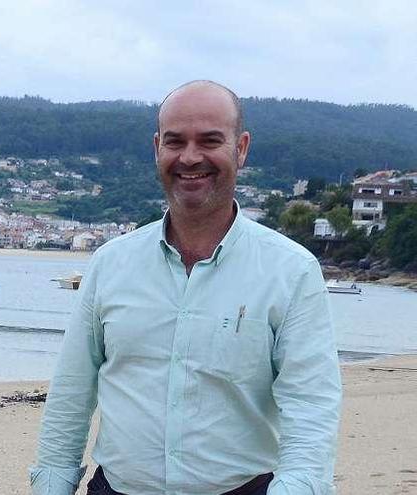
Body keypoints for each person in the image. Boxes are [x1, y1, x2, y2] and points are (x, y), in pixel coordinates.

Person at [31, 81, 341, 495]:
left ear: (241, 148)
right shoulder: (111, 263)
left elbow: (311, 409)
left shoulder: (292, 271)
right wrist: (52, 485)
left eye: (210, 140)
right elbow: (72, 392)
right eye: (175, 142)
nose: (190, 157)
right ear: (157, 148)